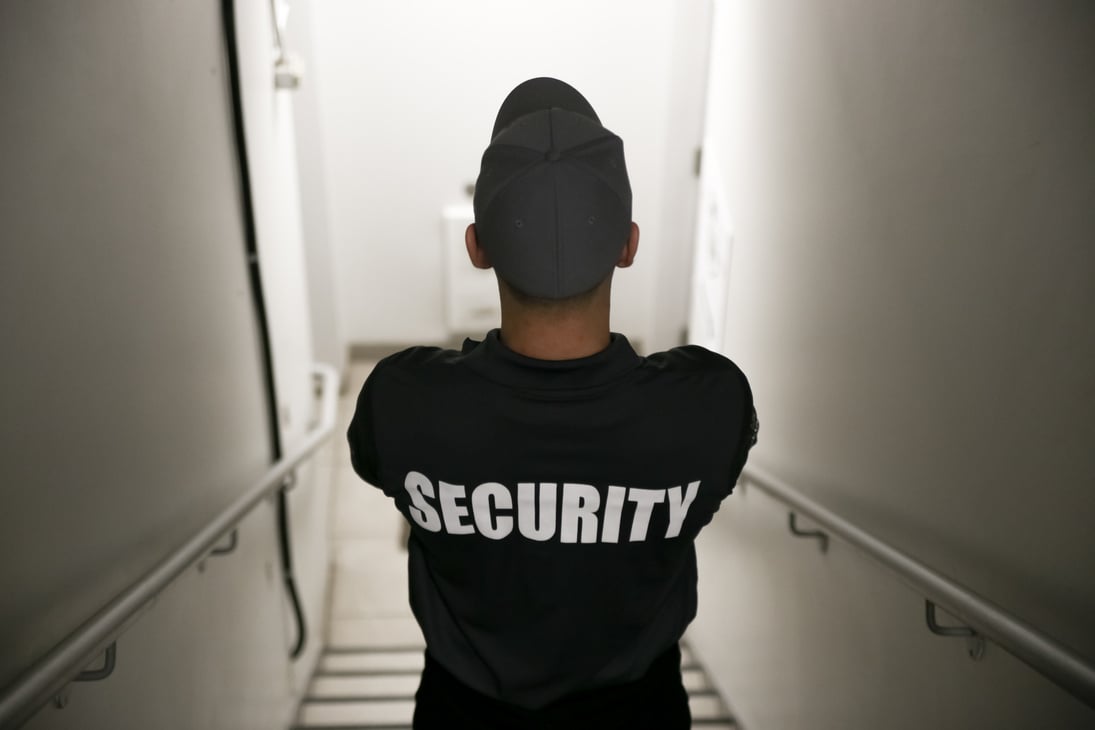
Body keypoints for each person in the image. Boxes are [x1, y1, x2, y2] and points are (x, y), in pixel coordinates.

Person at [347, 77, 757, 730]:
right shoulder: (707, 405)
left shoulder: (403, 402)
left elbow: (376, 464)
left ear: (476, 246)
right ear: (628, 244)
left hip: (461, 714)